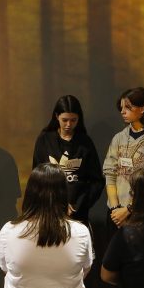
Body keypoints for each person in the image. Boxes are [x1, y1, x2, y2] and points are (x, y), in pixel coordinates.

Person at [32, 95, 104, 225]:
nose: (68, 125)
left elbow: (97, 181)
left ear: (79, 119)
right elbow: (36, 178)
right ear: (56, 116)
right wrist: (53, 203)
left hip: (78, 215)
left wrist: (79, 205)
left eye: (73, 120)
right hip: (49, 212)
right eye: (64, 120)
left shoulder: (85, 142)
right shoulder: (45, 140)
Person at [103, 87, 144, 232]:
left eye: (128, 107)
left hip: (141, 214)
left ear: (142, 109)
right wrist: (115, 209)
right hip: (115, 214)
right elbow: (110, 174)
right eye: (121, 107)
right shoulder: (118, 138)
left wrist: (128, 209)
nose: (122, 111)